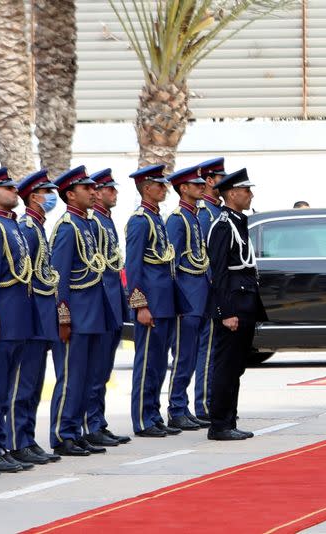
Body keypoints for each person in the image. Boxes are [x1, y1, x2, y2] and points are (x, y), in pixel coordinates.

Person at [48, 166, 115, 456]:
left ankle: (76, 430)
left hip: (93, 314)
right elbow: (59, 277)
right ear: (70, 194)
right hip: (76, 316)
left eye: (92, 187)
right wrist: (63, 318)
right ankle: (63, 434)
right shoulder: (67, 227)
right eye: (86, 188)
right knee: (71, 377)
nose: (92, 192)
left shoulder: (87, 224)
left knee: (87, 377)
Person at [0, 167, 35, 473]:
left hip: (19, 319)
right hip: (3, 321)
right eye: (7, 188)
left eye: (14, 188)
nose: (15, 192)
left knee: (8, 388)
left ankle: (2, 444)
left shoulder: (13, 227)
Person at [206, 168, 266, 440]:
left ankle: (229, 420)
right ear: (232, 193)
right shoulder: (222, 225)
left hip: (244, 303)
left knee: (237, 366)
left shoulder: (237, 221)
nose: (250, 194)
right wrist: (225, 312)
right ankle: (219, 424)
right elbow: (218, 274)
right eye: (246, 190)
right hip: (233, 306)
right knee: (226, 366)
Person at [9, 170, 62, 465]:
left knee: (34, 384)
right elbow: (26, 278)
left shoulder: (38, 226)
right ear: (34, 196)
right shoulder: (28, 227)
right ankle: (17, 441)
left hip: (43, 317)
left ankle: (26, 438)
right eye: (47, 192)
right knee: (24, 384)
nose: (51, 197)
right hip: (33, 317)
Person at [125, 164, 181, 438]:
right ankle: (142, 419)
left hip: (165, 302)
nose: (164, 188)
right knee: (147, 363)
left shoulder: (156, 218)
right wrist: (140, 305)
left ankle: (153, 414)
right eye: (159, 185)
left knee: (158, 364)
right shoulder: (139, 220)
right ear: (147, 188)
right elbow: (133, 267)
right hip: (151, 304)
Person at [86, 168, 132, 447]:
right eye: (109, 189)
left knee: (103, 372)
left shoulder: (106, 221)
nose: (114, 194)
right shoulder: (94, 223)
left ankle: (98, 422)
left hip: (113, 306)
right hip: (100, 307)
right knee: (94, 373)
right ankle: (92, 424)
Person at [165, 165, 212, 431]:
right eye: (196, 185)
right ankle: (176, 408)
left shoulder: (193, 216)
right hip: (187, 297)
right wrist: (178, 300)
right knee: (182, 356)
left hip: (199, 295)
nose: (201, 188)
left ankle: (183, 407)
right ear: (183, 188)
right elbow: (171, 264)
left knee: (192, 356)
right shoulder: (177, 219)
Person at [193, 157, 227, 422]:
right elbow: (204, 256)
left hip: (217, 291)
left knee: (215, 348)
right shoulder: (205, 213)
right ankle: (203, 403)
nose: (224, 182)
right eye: (220, 177)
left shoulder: (217, 210)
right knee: (207, 348)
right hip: (208, 292)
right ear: (209, 181)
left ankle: (211, 400)